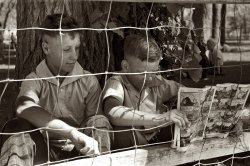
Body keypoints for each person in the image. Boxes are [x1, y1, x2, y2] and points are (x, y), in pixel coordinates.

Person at [0, 13, 112, 165]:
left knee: (99, 121)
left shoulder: (88, 81)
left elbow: (96, 125)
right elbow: (24, 108)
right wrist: (71, 133)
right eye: (66, 50)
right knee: (16, 126)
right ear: (46, 48)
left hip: (80, 152)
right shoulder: (34, 80)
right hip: (42, 152)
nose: (74, 56)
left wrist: (81, 139)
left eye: (77, 48)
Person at [102, 34, 190, 150]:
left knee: (180, 122)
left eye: (153, 72)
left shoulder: (156, 82)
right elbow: (112, 111)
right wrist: (161, 118)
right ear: (125, 66)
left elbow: (187, 92)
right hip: (129, 146)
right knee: (124, 128)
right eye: (142, 73)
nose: (149, 78)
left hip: (155, 142)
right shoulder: (116, 82)